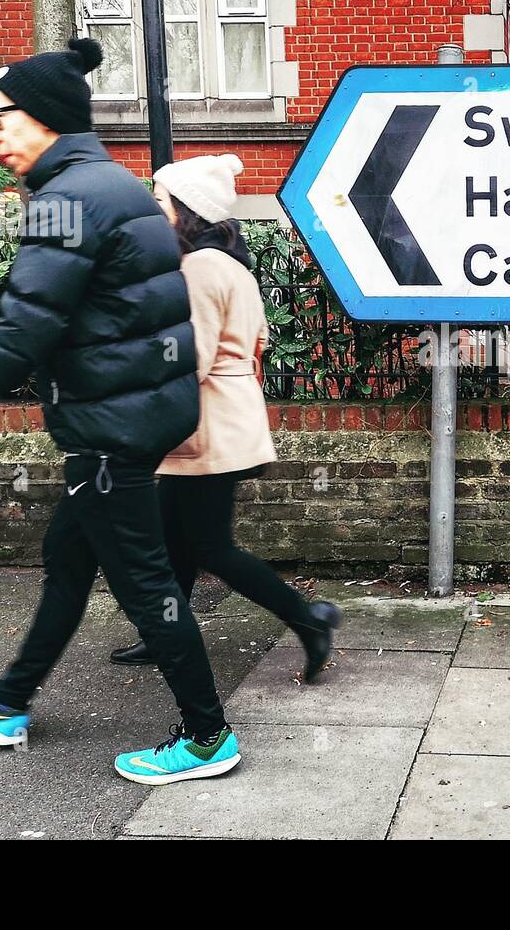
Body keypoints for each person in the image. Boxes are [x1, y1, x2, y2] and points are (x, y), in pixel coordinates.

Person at [0, 38, 240, 785]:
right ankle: (8, 700)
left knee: (148, 584)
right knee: (67, 557)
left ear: (45, 117)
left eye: (1, 118)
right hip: (139, 413)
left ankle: (208, 734)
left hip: (110, 429)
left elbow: (23, 330)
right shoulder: (113, 185)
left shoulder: (65, 202)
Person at [107, 153, 341, 680]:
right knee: (176, 539)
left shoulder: (199, 269)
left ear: (185, 211)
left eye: (160, 200)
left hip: (206, 429)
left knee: (210, 546)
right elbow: (253, 345)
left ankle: (308, 620)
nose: (153, 209)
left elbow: (191, 357)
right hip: (220, 423)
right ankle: (165, 633)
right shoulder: (230, 266)